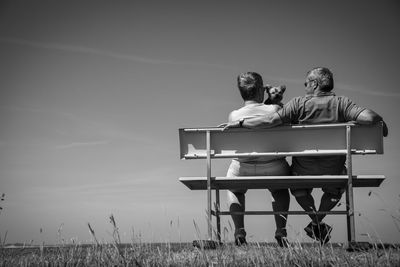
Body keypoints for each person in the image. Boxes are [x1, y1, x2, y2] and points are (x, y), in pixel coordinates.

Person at [221, 67, 388, 244]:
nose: (305, 86)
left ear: (315, 84)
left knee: (292, 188)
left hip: (301, 171)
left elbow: (271, 121)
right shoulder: (343, 103)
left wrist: (240, 123)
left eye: (306, 83)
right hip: (332, 169)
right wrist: (381, 122)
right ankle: (302, 225)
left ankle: (241, 230)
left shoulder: (297, 104)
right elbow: (369, 118)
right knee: (297, 187)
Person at [226, 72, 291, 247]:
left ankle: (239, 231)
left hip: (243, 167)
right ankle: (281, 231)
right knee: (279, 190)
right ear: (261, 90)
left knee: (235, 190)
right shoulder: (275, 110)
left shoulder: (234, 116)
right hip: (274, 166)